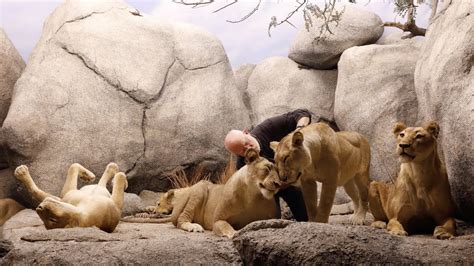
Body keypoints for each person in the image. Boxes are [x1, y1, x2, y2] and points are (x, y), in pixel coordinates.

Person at [224, 108, 312, 221]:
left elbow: (302, 113)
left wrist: (299, 130)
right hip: (269, 191)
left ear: (246, 132)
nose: (247, 149)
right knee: (272, 223)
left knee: (305, 218)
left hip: (292, 182)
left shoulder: (267, 127)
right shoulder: (242, 164)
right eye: (241, 151)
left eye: (246, 143)